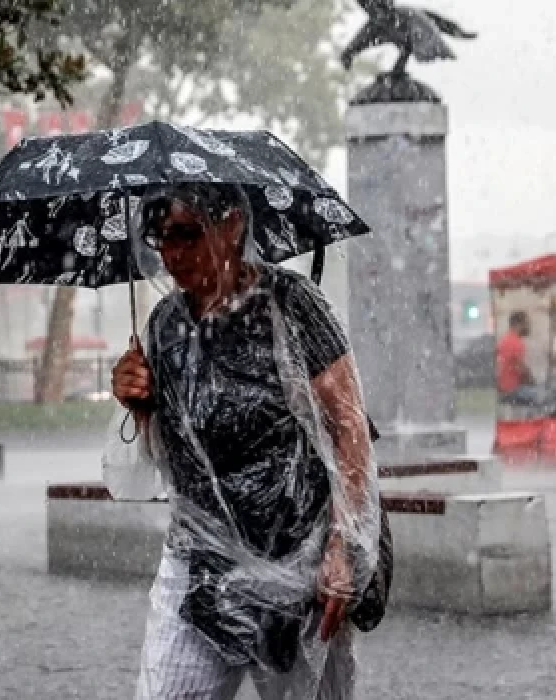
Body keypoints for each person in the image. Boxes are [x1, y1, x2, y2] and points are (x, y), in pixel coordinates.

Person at [112, 183, 380, 699]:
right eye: (158, 238)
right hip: (200, 569)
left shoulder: (292, 308)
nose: (171, 254)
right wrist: (137, 401)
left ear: (232, 225)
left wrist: (344, 547)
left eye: (186, 234)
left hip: (297, 570)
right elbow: (170, 456)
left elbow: (349, 429)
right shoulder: (165, 326)